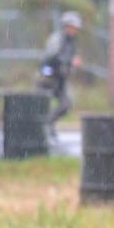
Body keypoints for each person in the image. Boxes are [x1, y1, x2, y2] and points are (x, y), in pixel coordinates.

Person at [37, 11, 83, 142]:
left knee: (66, 104)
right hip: (48, 78)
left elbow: (68, 61)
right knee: (40, 106)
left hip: (60, 80)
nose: (75, 30)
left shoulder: (71, 42)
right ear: (67, 26)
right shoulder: (57, 39)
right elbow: (51, 58)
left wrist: (71, 65)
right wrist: (69, 61)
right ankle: (44, 128)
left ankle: (48, 124)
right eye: (73, 27)